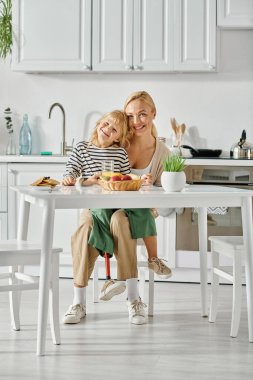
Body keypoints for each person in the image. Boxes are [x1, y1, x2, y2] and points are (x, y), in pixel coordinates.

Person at [62, 103, 171, 325]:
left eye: (114, 130)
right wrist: (83, 180)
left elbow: (123, 181)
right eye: (106, 123)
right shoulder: (81, 148)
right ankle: (78, 302)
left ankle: (133, 298)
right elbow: (70, 175)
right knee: (84, 231)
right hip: (91, 208)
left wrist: (142, 181)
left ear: (117, 138)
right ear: (99, 122)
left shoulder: (119, 153)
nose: (107, 129)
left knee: (122, 221)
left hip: (114, 207)